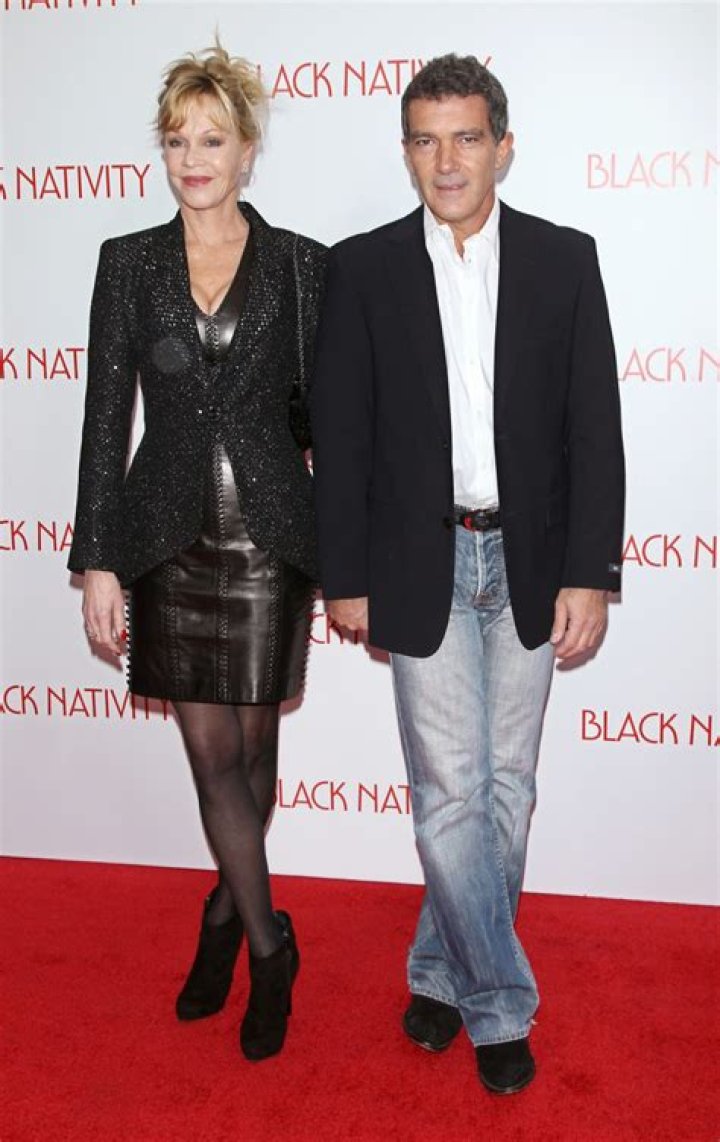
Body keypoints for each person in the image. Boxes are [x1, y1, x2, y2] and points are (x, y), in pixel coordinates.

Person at [310, 54, 624, 1094]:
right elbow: (342, 437)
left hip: (532, 556)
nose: (446, 160)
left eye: (466, 137)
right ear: (406, 152)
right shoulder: (362, 269)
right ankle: (500, 1003)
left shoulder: (564, 259)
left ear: (503, 146)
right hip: (418, 559)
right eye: (426, 140)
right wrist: (344, 575)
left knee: (506, 790)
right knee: (451, 791)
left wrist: (591, 571)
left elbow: (595, 427)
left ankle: (442, 968)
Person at [68, 44, 325, 1062]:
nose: (194, 160)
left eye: (212, 140)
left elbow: (322, 416)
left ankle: (224, 912)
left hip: (271, 540)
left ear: (247, 150)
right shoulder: (126, 262)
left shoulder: (302, 265)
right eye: (177, 141)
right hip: (168, 538)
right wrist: (97, 559)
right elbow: (104, 418)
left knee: (256, 760)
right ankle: (269, 947)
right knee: (214, 756)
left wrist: (344, 540)